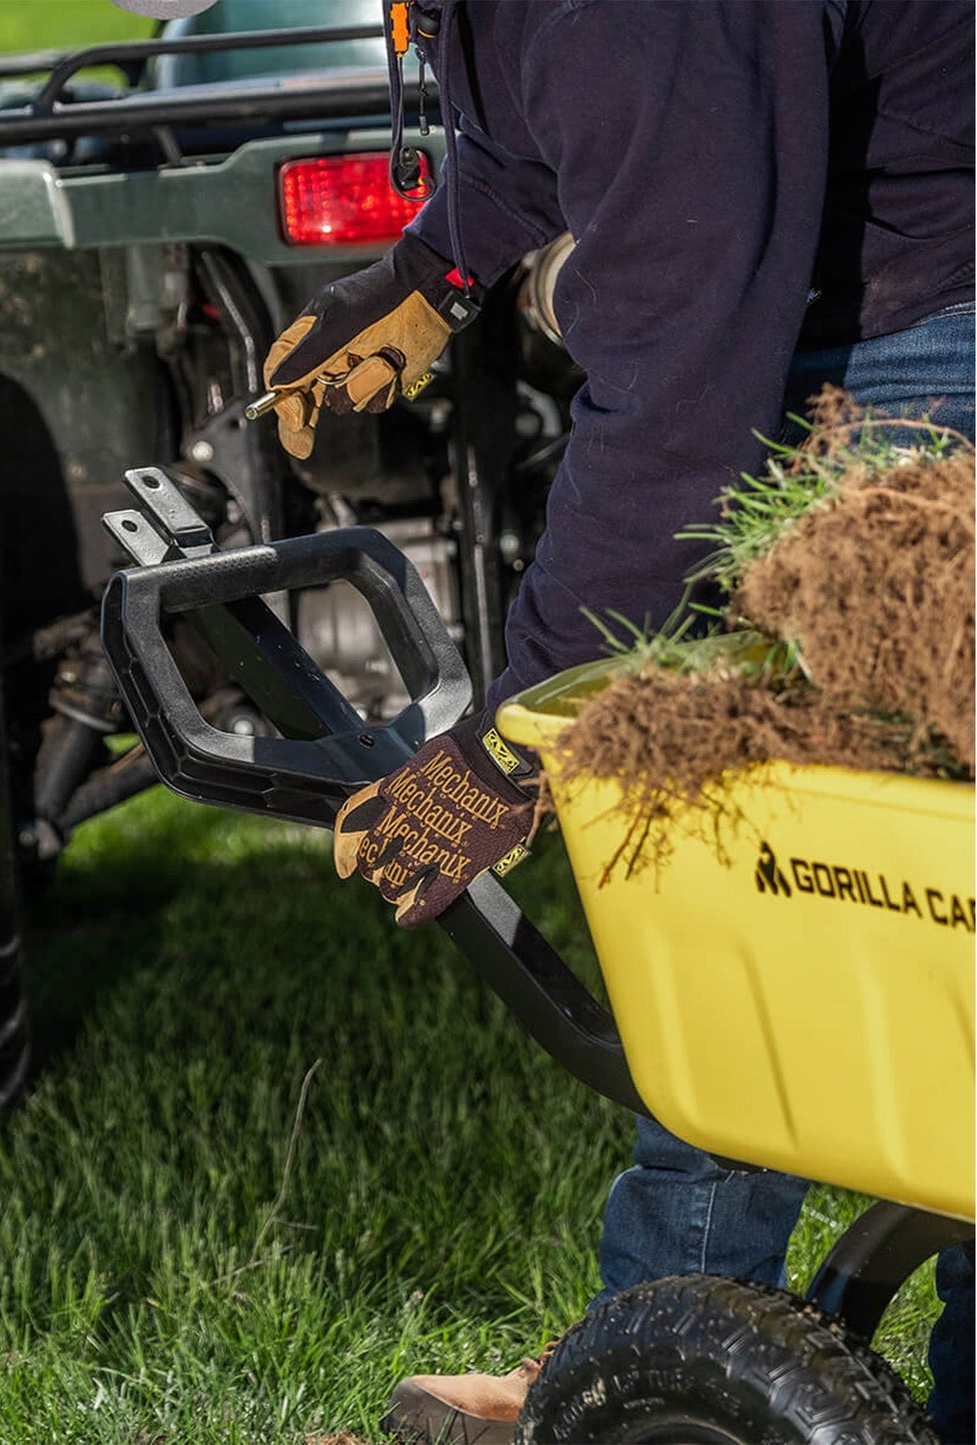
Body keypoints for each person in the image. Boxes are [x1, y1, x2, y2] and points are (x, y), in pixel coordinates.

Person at [256, 2, 975, 1442]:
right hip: (855, 287)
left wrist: (528, 724)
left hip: (921, 340)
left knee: (880, 901)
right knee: (754, 892)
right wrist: (435, 268)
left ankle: (702, 1372)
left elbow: (676, 403)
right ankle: (662, 1346)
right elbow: (562, 114)